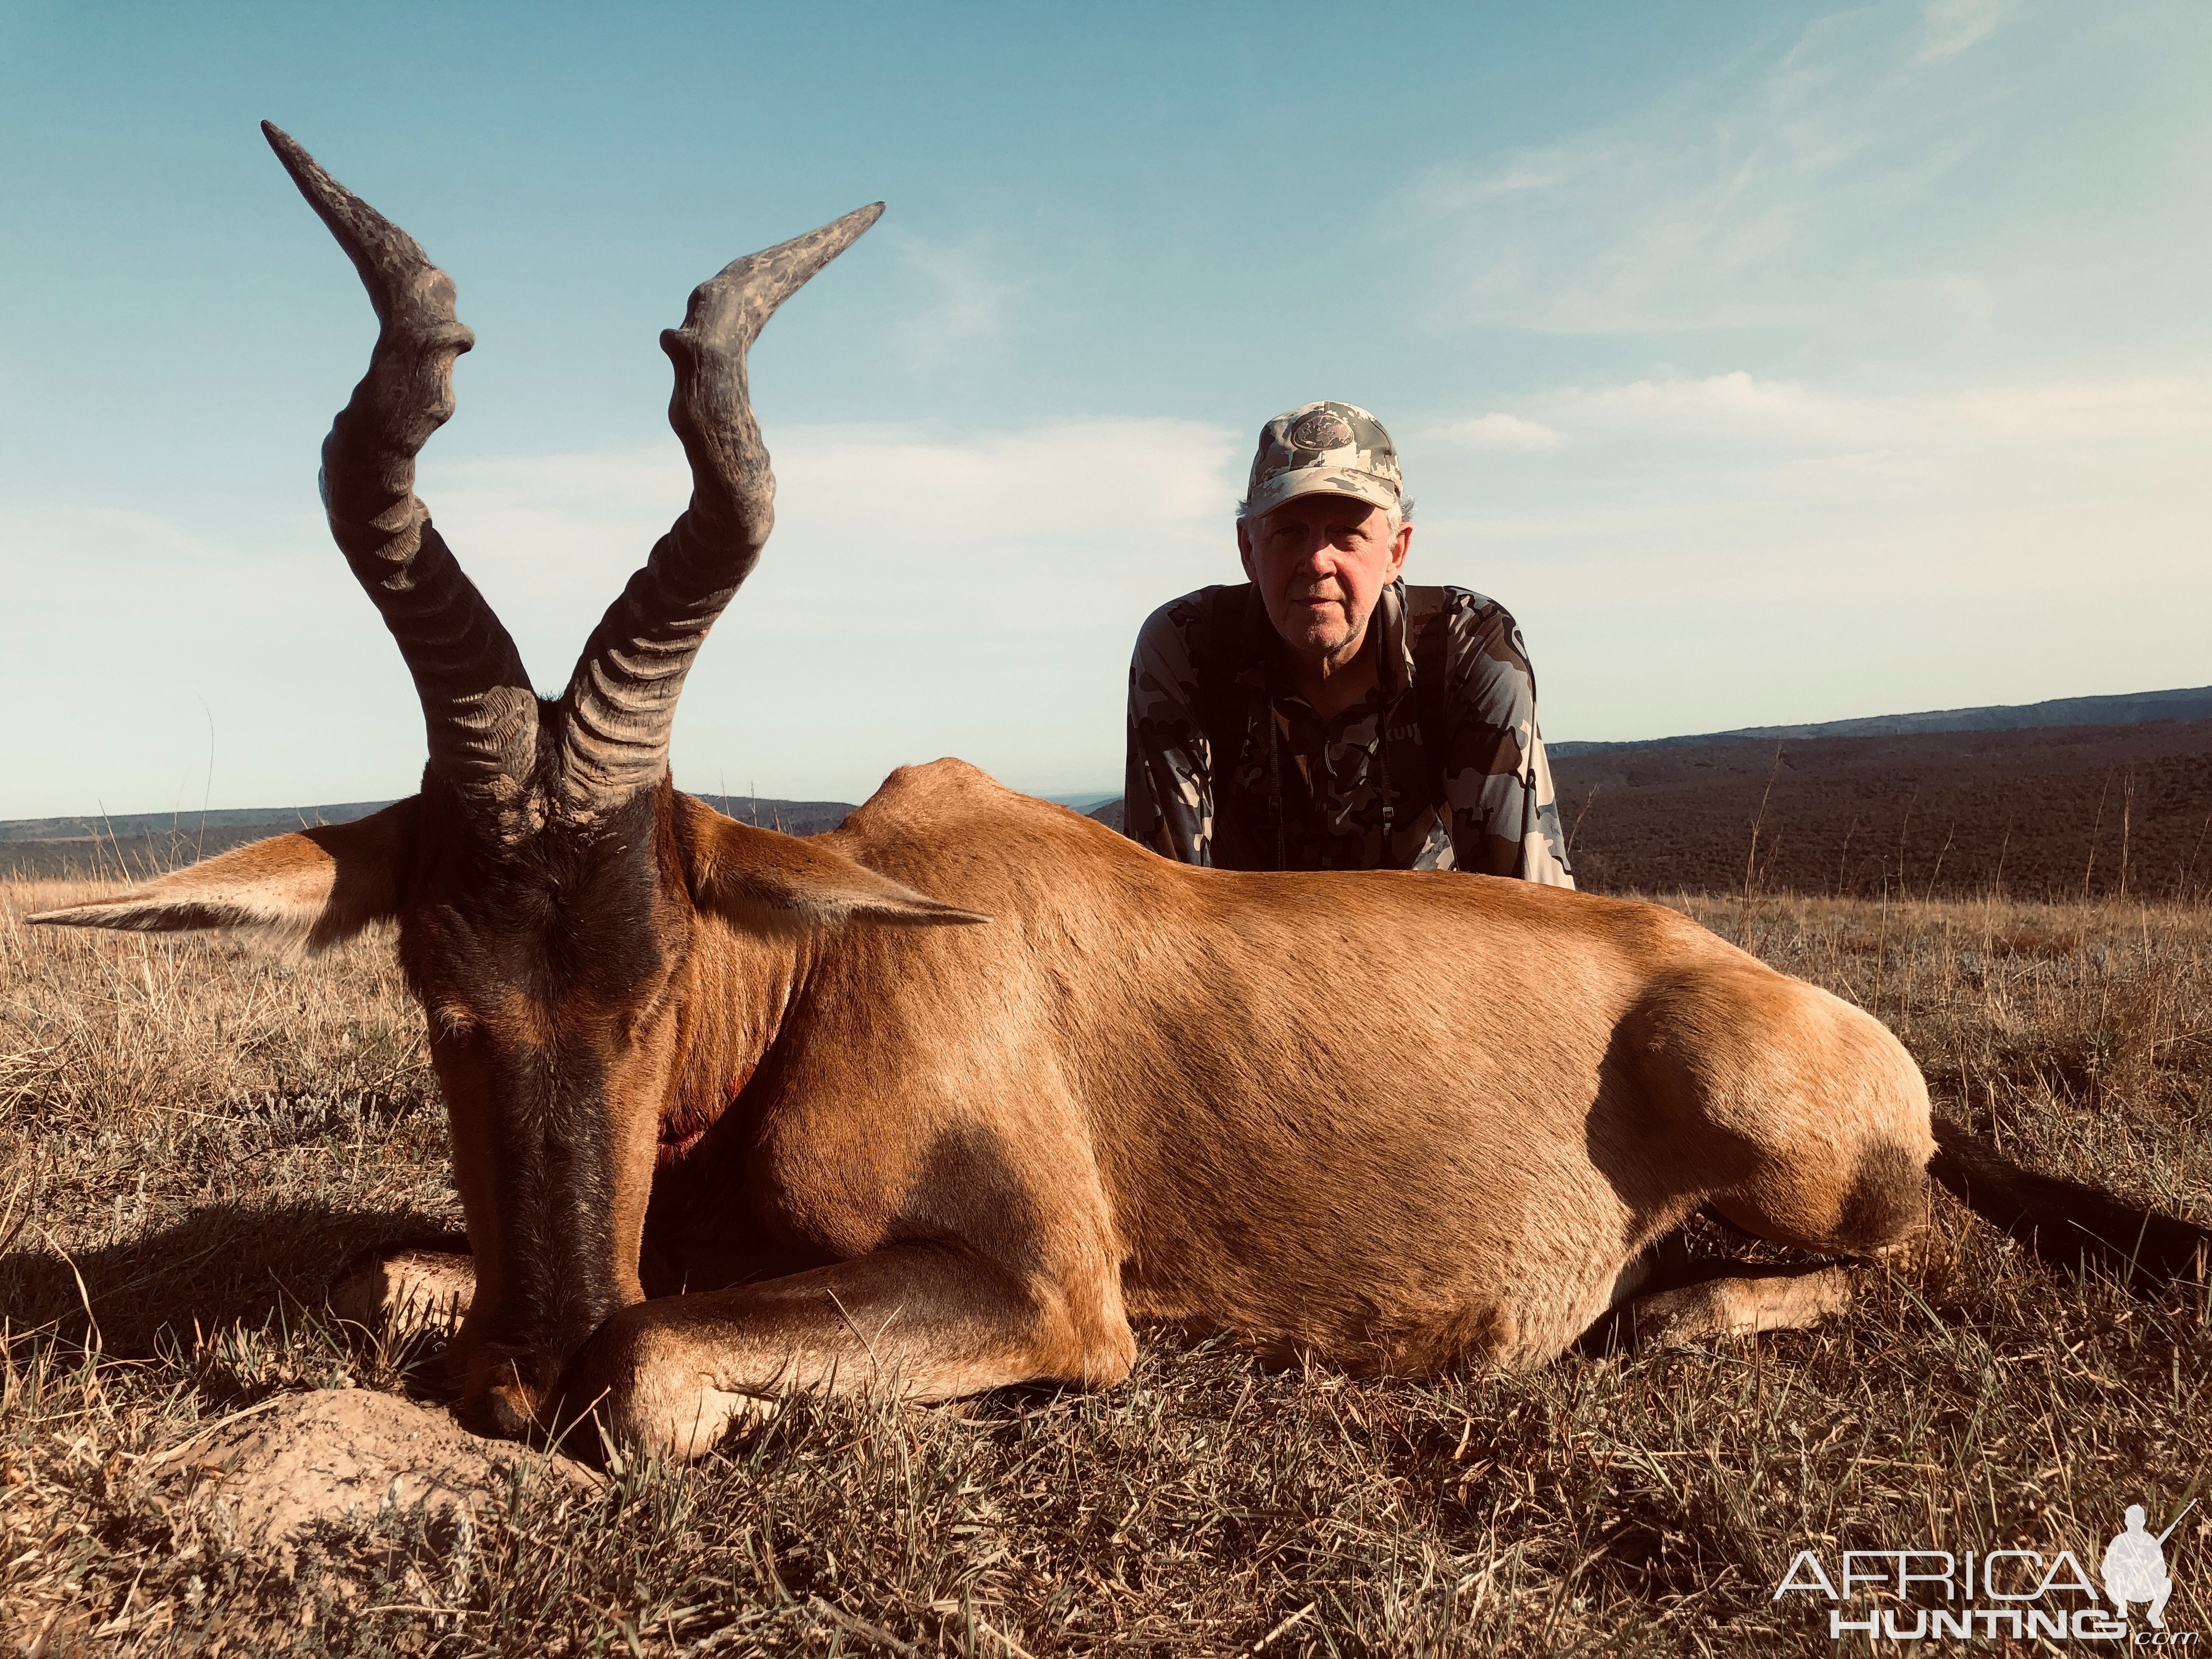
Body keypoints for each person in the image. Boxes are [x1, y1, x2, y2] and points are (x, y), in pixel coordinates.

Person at [1122, 400, 1575, 882]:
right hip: (1242, 952)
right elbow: (1162, 901)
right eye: (1289, 532)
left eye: (1348, 534)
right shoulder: (1189, 646)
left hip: (1426, 949)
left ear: (1395, 552)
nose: (1318, 561)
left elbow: (1528, 907)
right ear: (1248, 550)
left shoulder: (1465, 646)